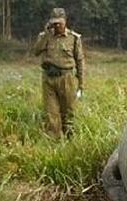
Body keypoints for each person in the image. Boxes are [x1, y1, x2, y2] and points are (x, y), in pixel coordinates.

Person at [33, 8, 85, 138]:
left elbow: (80, 61)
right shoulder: (44, 37)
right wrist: (45, 34)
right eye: (54, 23)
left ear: (65, 22)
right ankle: (54, 141)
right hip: (48, 79)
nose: (57, 26)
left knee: (68, 112)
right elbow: (36, 51)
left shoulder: (73, 38)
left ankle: (70, 139)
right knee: (51, 112)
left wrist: (81, 84)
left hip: (66, 78)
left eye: (59, 23)